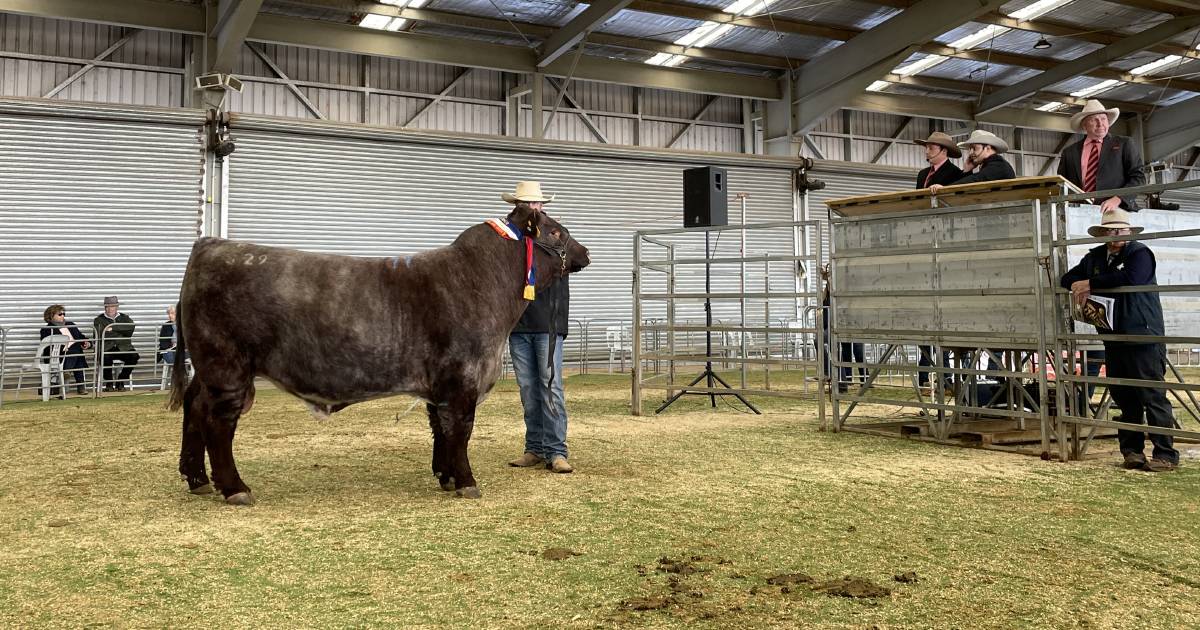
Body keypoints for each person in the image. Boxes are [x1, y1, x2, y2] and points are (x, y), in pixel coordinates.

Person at [1060, 208, 1178, 472]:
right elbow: (1067, 278)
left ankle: (1165, 454)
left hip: (1142, 334)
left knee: (1151, 394)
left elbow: (1131, 278)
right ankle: (1132, 451)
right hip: (1113, 335)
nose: (1114, 235)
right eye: (1109, 231)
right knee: (1124, 396)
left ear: (1128, 231)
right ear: (1103, 234)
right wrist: (1081, 283)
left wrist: (1090, 283)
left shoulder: (1139, 254)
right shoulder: (1096, 257)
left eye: (1119, 230)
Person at [504, 182, 574, 474]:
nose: (533, 208)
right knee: (528, 387)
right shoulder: (507, 237)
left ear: (542, 206)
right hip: (519, 323)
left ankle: (556, 450)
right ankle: (534, 446)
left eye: (536, 203)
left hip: (548, 322)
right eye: (526, 203)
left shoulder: (556, 234)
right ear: (517, 206)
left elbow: (576, 261)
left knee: (550, 386)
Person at [913, 132, 960, 393]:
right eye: (927, 146)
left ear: (943, 150)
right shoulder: (922, 174)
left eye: (931, 147)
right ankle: (928, 370)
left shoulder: (953, 174)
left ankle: (942, 374)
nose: (928, 150)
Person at [1057, 99, 1145, 212]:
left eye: (1103, 119)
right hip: (1080, 213)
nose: (1100, 123)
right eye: (1094, 120)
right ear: (1084, 125)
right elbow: (1063, 185)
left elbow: (1139, 178)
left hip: (1117, 211)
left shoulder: (1124, 144)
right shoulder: (1069, 152)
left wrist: (1118, 199)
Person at [928, 129, 1016, 194]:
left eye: (974, 148)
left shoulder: (998, 165)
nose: (970, 153)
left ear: (988, 148)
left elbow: (976, 179)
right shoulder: (991, 165)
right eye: (970, 149)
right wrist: (967, 170)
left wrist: (944, 189)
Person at [39, 305, 92, 396]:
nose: (63, 316)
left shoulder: (71, 324)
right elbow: (47, 345)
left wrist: (88, 343)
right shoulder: (47, 329)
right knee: (77, 352)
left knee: (76, 351)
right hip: (58, 354)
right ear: (51, 316)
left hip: (72, 353)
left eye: (64, 314)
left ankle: (67, 371)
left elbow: (81, 337)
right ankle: (81, 387)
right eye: (60, 314)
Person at [93, 296, 139, 392]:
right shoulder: (98, 320)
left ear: (117, 307)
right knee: (105, 358)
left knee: (134, 356)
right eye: (107, 307)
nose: (110, 309)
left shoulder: (125, 317)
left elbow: (130, 329)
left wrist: (112, 328)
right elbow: (101, 334)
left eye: (112, 306)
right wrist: (121, 331)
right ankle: (109, 383)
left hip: (123, 347)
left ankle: (120, 381)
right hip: (106, 347)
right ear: (104, 308)